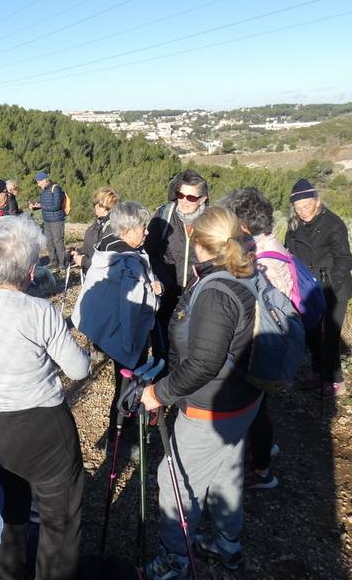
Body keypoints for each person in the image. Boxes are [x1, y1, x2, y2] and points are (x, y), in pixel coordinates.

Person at [0, 217, 91, 580]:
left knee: (7, 511)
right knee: (60, 518)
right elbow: (78, 368)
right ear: (29, 270)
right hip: (44, 428)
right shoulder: (39, 311)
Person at [140, 206, 263, 580]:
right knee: (226, 470)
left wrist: (159, 392)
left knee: (174, 476)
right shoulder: (244, 275)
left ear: (199, 242)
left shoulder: (215, 292)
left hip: (212, 406)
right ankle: (227, 542)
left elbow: (205, 363)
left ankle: (175, 558)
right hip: (244, 398)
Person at [72, 201, 161, 458]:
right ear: (127, 231)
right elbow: (130, 309)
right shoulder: (129, 266)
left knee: (123, 384)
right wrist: (130, 346)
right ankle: (120, 438)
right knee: (129, 387)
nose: (147, 233)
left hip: (108, 331)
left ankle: (119, 434)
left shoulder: (107, 246)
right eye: (143, 228)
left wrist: (154, 285)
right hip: (127, 336)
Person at [221, 187, 288, 490]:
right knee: (261, 407)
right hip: (270, 343)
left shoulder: (261, 258)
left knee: (257, 408)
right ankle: (266, 449)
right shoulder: (272, 245)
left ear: (243, 225)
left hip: (260, 347)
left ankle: (261, 470)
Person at [284, 178, 352, 396]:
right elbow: (289, 252)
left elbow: (344, 258)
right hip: (306, 288)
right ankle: (317, 371)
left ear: (317, 201)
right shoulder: (293, 226)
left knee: (330, 335)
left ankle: (336, 381)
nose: (303, 211)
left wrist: (332, 284)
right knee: (311, 333)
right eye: (298, 208)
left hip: (332, 288)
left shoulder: (334, 224)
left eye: (307, 206)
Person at [145, 170, 209, 360]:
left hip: (197, 293)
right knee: (162, 338)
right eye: (180, 194)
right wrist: (159, 279)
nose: (183, 200)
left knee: (191, 342)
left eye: (190, 196)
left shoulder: (212, 222)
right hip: (166, 291)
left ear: (203, 199)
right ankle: (161, 372)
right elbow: (150, 252)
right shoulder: (164, 215)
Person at [71, 186, 119, 271]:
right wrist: (78, 252)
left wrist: (84, 262)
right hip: (92, 272)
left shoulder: (111, 228)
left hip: (101, 277)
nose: (94, 207)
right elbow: (91, 246)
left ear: (102, 206)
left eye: (95, 204)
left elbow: (106, 263)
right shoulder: (99, 222)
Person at [28, 171, 67, 269]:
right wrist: (35, 206)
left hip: (57, 220)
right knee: (49, 241)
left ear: (45, 180)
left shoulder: (56, 189)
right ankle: (53, 262)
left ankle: (62, 263)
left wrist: (42, 205)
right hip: (47, 220)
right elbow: (44, 203)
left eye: (39, 182)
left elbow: (56, 206)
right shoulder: (44, 190)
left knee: (58, 241)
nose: (38, 184)